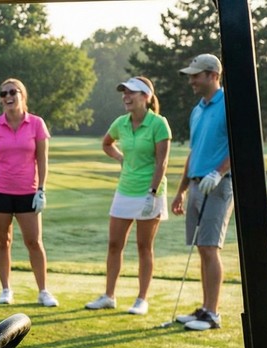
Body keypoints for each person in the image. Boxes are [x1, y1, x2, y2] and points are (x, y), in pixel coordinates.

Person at [86, 76, 171, 315]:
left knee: (144, 247)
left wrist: (152, 193)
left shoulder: (158, 124)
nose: (126, 96)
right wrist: (121, 158)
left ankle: (142, 299)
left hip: (149, 192)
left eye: (131, 92)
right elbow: (107, 143)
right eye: (123, 92)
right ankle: (109, 296)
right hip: (125, 190)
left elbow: (162, 162)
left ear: (146, 96)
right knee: (114, 244)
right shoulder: (121, 123)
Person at [0, 78, 57, 307]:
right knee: (3, 241)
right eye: (3, 94)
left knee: (34, 242)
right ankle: (6, 289)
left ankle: (43, 291)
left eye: (13, 92)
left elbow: (42, 159)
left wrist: (41, 189)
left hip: (28, 192)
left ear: (23, 95)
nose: (8, 97)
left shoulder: (36, 124)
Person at [169, 54, 233, 331]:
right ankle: (205, 309)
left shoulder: (229, 105)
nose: (192, 81)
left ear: (212, 75)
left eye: (196, 75)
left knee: (210, 247)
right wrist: (181, 190)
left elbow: (238, 145)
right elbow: (194, 152)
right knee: (201, 249)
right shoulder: (198, 109)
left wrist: (218, 172)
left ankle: (213, 314)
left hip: (218, 185)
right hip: (196, 184)